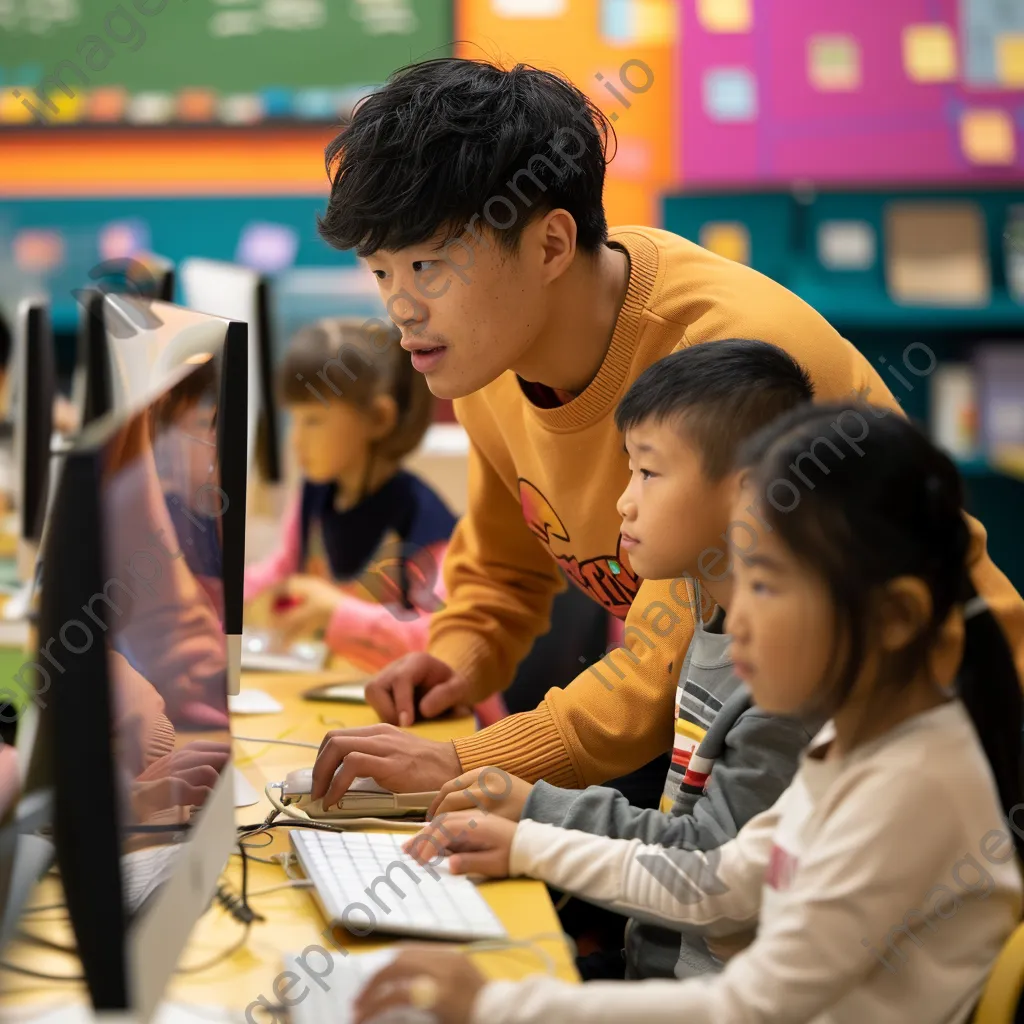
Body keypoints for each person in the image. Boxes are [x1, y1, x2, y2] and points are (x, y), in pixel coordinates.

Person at [309, 57, 1024, 805]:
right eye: (383, 273)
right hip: (771, 760)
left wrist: (460, 766)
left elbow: (658, 672)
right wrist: (456, 659)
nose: (402, 307)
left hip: (944, 748)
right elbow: (504, 570)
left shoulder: (730, 363)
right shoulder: (489, 356)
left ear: (550, 245)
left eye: (427, 265)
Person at [354, 403, 1024, 1024]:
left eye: (768, 584)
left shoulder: (912, 784)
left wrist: (498, 1005)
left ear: (896, 617)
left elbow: (749, 1006)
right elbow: (717, 882)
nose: (743, 620)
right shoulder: (856, 742)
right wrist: (522, 842)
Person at [430, 340, 818, 982]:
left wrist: (536, 815)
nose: (623, 502)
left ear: (746, 491)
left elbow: (707, 861)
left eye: (648, 473)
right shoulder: (711, 623)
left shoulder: (784, 680)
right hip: (655, 968)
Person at [243, 317, 505, 725]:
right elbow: (280, 570)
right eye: (293, 420)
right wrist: (208, 597)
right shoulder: (314, 494)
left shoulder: (424, 524)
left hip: (451, 724)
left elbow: (437, 642)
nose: (295, 439)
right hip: (366, 704)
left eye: (313, 420)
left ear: (379, 419)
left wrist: (336, 612)